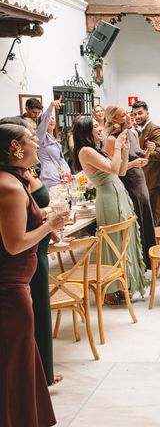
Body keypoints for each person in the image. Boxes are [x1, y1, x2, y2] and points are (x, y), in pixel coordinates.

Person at [0, 122, 68, 427]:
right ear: (15, 147)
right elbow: (15, 244)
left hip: (18, 283)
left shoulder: (17, 180)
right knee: (15, 362)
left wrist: (47, 219)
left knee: (22, 357)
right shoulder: (9, 186)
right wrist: (49, 226)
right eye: (31, 140)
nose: (37, 145)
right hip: (9, 287)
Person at [72, 116, 147, 304]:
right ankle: (109, 289)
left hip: (118, 194)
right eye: (95, 126)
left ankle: (124, 283)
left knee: (124, 240)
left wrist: (125, 148)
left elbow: (121, 171)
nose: (100, 128)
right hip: (108, 198)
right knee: (113, 242)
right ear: (86, 131)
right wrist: (119, 145)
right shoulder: (85, 151)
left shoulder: (95, 150)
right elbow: (114, 169)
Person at [104, 105, 156, 270]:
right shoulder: (112, 140)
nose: (128, 116)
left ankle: (149, 261)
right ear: (114, 120)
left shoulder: (132, 133)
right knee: (137, 220)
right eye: (123, 115)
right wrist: (133, 164)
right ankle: (139, 264)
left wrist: (148, 151)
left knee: (146, 218)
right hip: (128, 182)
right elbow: (115, 169)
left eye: (128, 113)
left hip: (141, 181)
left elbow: (142, 159)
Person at [132, 100, 160, 226]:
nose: (137, 117)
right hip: (155, 178)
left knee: (153, 216)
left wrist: (145, 152)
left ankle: (152, 244)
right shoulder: (142, 130)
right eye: (135, 114)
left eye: (140, 113)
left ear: (147, 113)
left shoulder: (155, 130)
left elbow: (159, 153)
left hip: (159, 179)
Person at [35, 99, 71, 188]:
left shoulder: (54, 138)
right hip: (50, 178)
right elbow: (43, 123)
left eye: (53, 118)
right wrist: (51, 106)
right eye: (48, 119)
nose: (51, 120)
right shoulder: (40, 138)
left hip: (61, 178)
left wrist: (62, 173)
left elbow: (56, 161)